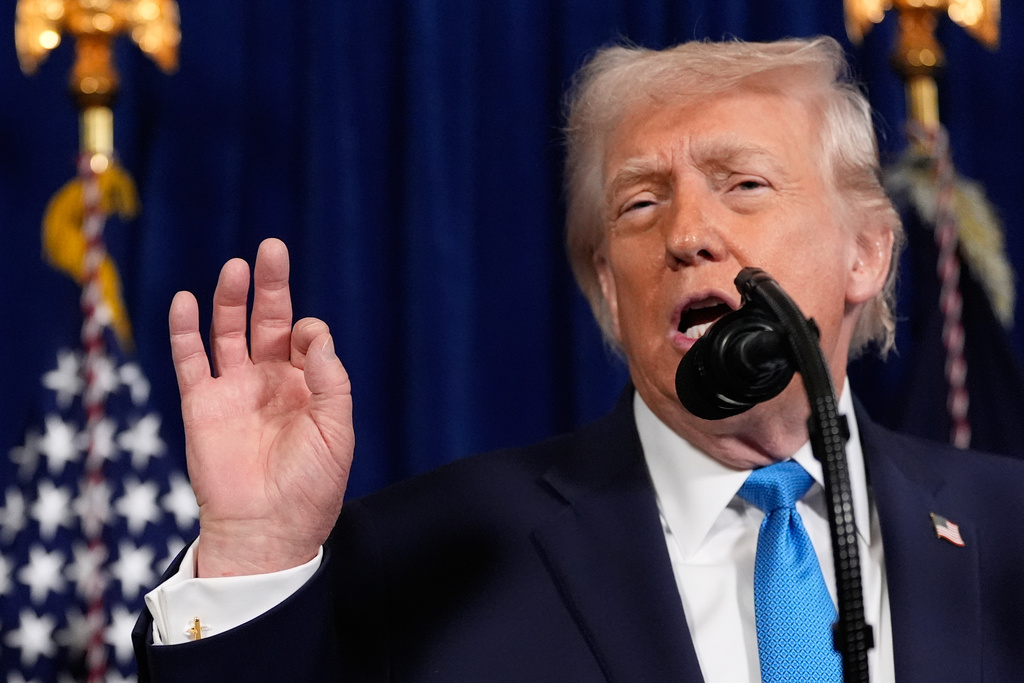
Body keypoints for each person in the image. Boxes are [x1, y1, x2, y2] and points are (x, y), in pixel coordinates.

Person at [133, 37, 1024, 682]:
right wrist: (254, 554)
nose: (687, 233)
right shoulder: (437, 558)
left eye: (744, 184)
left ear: (866, 252)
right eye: (640, 204)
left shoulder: (1011, 527)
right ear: (607, 284)